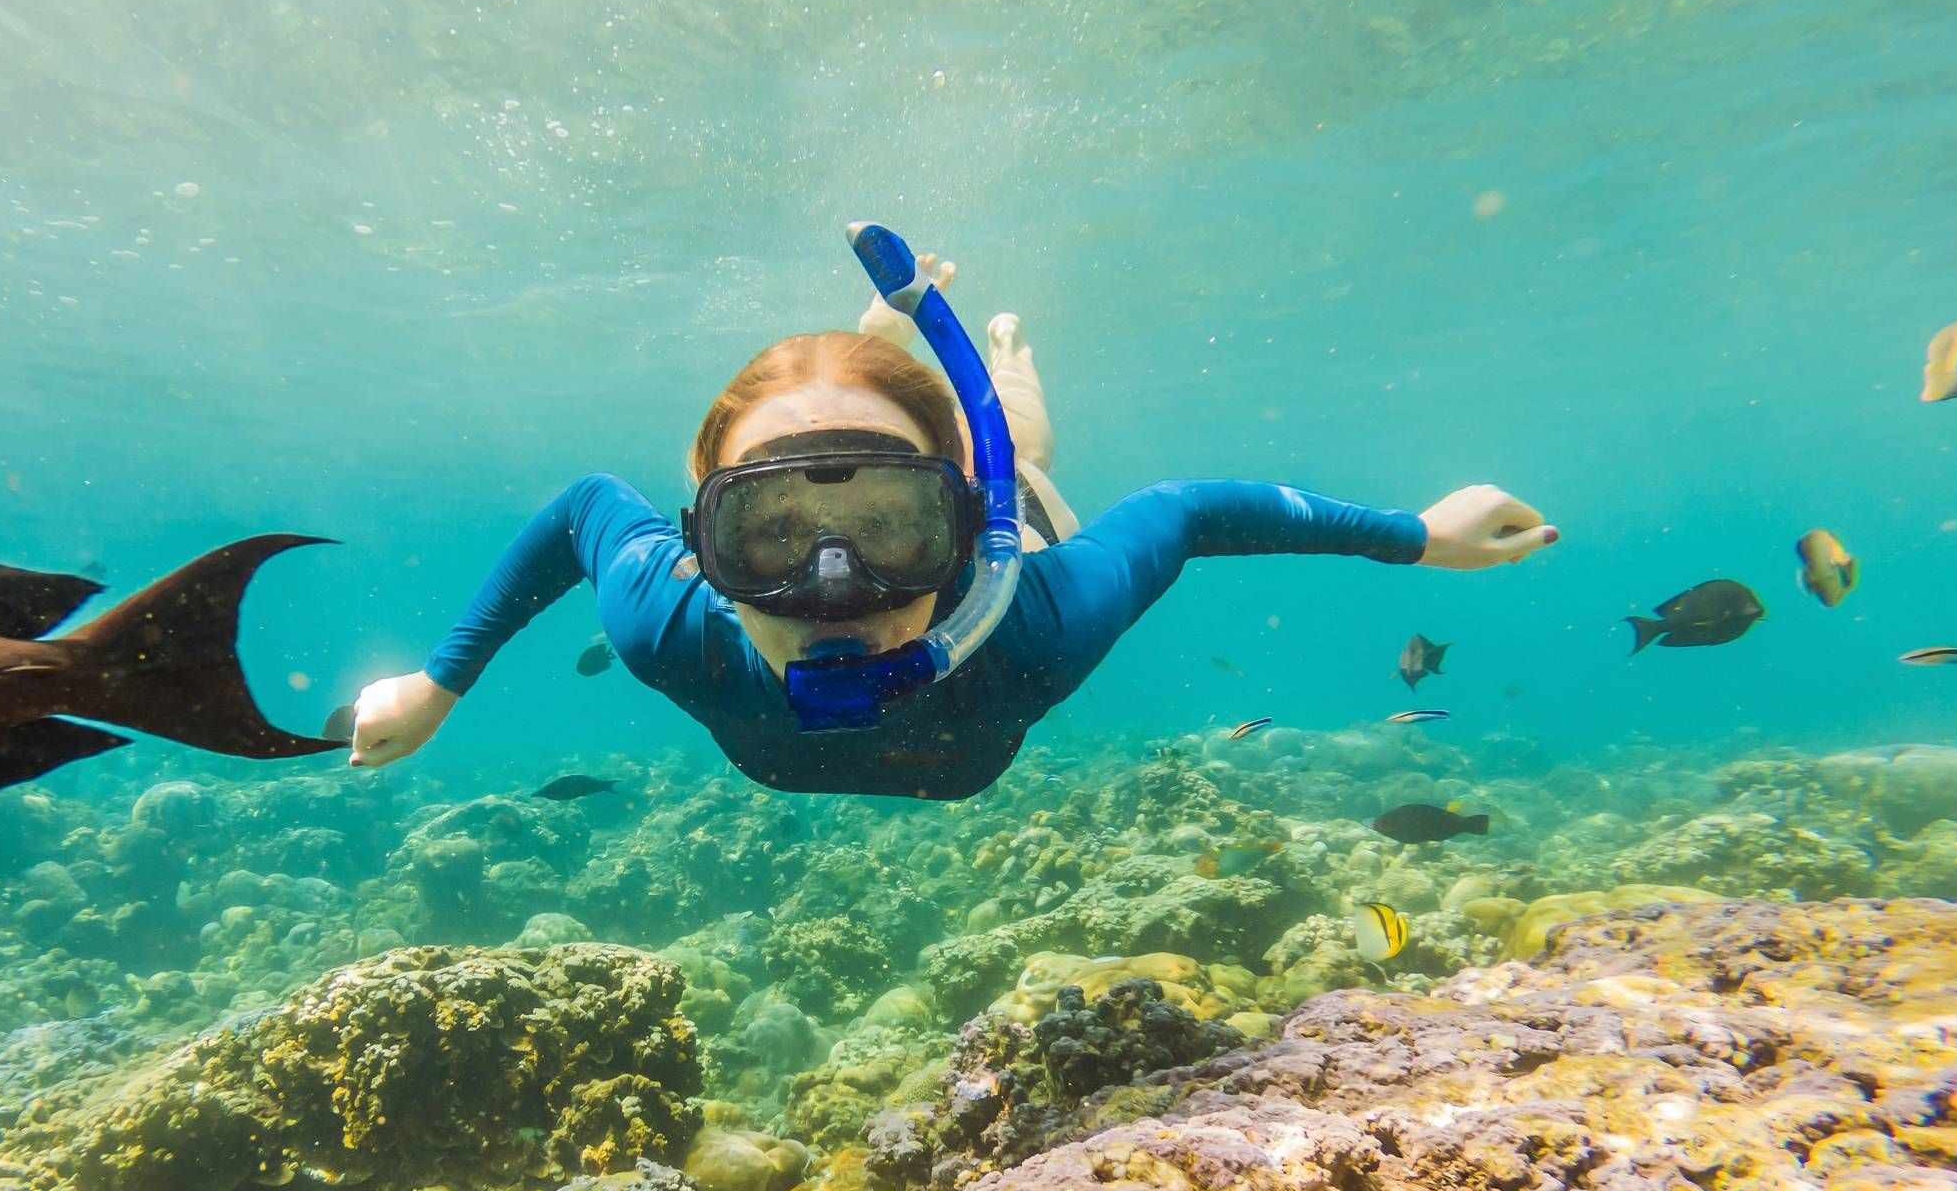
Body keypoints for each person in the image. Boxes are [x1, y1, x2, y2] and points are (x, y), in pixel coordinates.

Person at [345, 225, 1557, 801]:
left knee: (1016, 440)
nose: (834, 586)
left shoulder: (1031, 612)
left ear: (956, 528)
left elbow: (1190, 512)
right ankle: (897, 359)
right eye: (770, 535)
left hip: (1001, 502)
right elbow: (585, 509)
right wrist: (441, 687)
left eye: (890, 525)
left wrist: (1421, 536)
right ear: (705, 551)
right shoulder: (671, 623)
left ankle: (995, 368)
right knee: (964, 441)